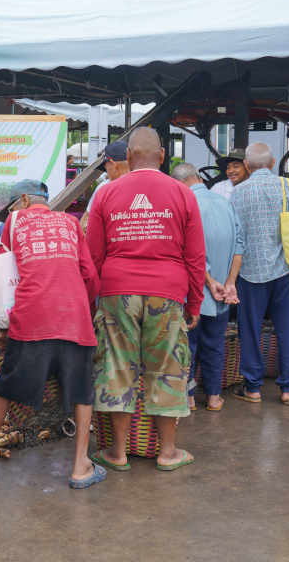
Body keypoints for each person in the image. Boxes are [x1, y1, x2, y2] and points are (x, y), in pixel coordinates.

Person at [0, 180, 104, 489]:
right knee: (83, 391)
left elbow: (3, 278)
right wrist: (84, 311)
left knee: (5, 385)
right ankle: (81, 466)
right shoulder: (71, 223)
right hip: (74, 316)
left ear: (24, 199)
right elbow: (89, 276)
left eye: (13, 205)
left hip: (32, 317)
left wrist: (4, 325)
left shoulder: (14, 222)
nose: (11, 211)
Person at [86, 127, 204, 471]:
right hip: (167, 292)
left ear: (130, 157)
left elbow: (94, 256)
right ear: (163, 156)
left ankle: (117, 453)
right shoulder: (183, 194)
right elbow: (196, 257)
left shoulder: (107, 193)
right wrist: (194, 303)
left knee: (116, 365)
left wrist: (92, 300)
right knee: (166, 367)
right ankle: (167, 453)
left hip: (116, 291)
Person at [228, 142, 289, 405]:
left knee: (250, 330)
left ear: (247, 166)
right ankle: (287, 389)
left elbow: (234, 238)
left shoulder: (238, 193)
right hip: (284, 271)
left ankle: (253, 388)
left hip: (249, 273)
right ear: (272, 163)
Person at [171, 162, 243, 412]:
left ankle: (188, 397)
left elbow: (190, 253)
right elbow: (239, 246)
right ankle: (213, 397)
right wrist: (229, 283)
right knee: (214, 345)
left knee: (187, 345)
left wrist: (210, 283)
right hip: (223, 294)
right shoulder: (226, 202)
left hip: (193, 293)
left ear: (180, 183)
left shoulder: (184, 205)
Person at [81, 141, 128, 232]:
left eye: (106, 169)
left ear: (113, 165)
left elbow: (84, 223)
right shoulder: (145, 185)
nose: (107, 174)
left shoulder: (105, 188)